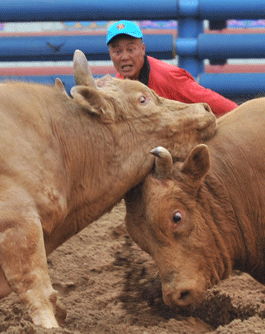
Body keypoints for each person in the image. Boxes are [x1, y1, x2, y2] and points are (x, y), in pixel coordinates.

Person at [106, 20, 238, 117]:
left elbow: (217, 103)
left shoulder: (167, 77)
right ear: (110, 54)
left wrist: (241, 118)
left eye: (130, 49)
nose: (124, 57)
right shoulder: (120, 81)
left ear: (142, 49)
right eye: (117, 51)